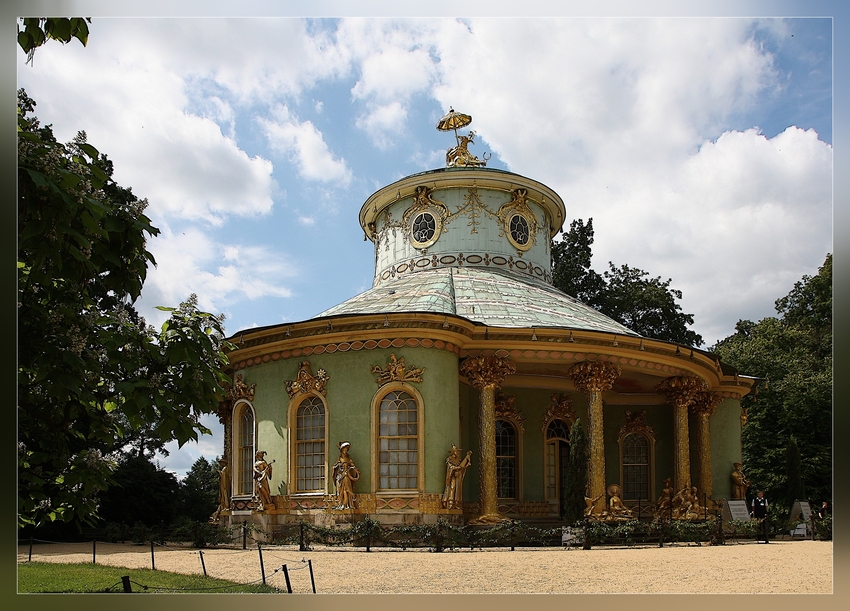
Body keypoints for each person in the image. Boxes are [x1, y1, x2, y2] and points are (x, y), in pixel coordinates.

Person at [442, 444, 472, 509]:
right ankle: (450, 501)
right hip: (452, 475)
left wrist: (466, 466)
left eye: (457, 451)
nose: (457, 452)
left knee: (458, 488)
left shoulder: (458, 460)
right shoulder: (449, 459)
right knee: (452, 487)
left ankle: (456, 502)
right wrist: (457, 468)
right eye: (456, 451)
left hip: (457, 476)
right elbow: (450, 467)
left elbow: (462, 467)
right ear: (453, 452)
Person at [332, 441, 360, 510]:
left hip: (347, 475)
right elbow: (335, 466)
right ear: (341, 450)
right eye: (344, 449)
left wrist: (354, 469)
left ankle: (347, 504)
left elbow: (352, 464)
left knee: (346, 490)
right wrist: (337, 467)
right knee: (340, 490)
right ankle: (341, 503)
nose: (345, 450)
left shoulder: (348, 457)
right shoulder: (340, 458)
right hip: (340, 476)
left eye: (346, 449)